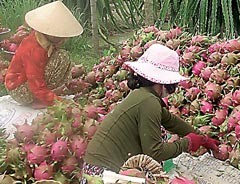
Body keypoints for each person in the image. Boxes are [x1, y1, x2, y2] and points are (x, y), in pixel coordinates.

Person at [82, 44, 219, 181]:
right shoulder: (148, 101)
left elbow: (171, 121)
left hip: (94, 169)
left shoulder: (143, 95)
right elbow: (155, 152)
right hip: (103, 176)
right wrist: (187, 143)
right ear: (165, 81)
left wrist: (202, 138)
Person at [5, 0, 83, 108]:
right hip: (19, 89)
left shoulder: (43, 40)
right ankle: (39, 98)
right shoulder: (32, 49)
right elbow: (35, 82)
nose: (64, 39)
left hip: (27, 83)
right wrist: (59, 102)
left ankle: (43, 96)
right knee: (61, 58)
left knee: (62, 56)